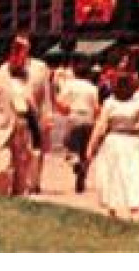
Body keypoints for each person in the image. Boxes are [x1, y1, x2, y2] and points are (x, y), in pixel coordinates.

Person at [0, 35, 52, 198]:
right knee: (2, 168)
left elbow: (43, 100)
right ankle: (1, 197)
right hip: (2, 129)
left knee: (22, 173)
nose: (22, 61)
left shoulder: (34, 75)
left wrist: (45, 122)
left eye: (24, 57)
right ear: (10, 55)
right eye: (18, 56)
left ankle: (19, 200)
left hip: (24, 129)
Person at [87, 71, 139, 218]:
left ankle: (112, 207)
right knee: (133, 174)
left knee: (112, 174)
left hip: (113, 140)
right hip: (132, 141)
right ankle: (133, 207)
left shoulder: (109, 103)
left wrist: (91, 146)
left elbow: (101, 127)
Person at [55, 57, 101, 194]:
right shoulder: (93, 88)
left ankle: (75, 163)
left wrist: (64, 110)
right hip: (88, 118)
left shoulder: (69, 85)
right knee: (85, 151)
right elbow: (97, 107)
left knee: (69, 146)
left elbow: (60, 102)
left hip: (74, 116)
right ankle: (82, 179)